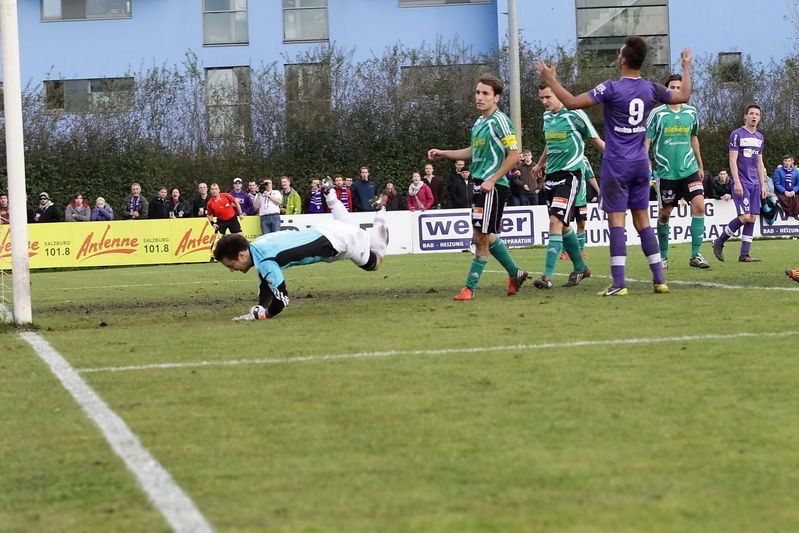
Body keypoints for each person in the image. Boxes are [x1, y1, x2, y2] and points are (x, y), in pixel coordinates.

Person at [537, 35, 693, 296]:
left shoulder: (610, 88)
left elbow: (572, 103)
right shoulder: (652, 89)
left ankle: (619, 283)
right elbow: (684, 94)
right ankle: (659, 280)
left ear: (623, 60)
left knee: (617, 222)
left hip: (617, 164)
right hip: (641, 164)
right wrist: (686, 66)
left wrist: (551, 79)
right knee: (643, 220)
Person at [215, 184, 389, 321]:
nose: (232, 270)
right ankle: (329, 194)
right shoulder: (258, 245)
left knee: (375, 262)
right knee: (346, 225)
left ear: (241, 255)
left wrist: (263, 314)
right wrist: (261, 306)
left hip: (339, 242)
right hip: (325, 229)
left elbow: (282, 300)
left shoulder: (265, 261)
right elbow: (265, 284)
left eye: (231, 265)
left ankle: (381, 211)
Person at [428, 74, 529, 300]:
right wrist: (444, 153)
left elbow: (514, 155)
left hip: (493, 186)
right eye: (477, 92)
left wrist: (493, 179)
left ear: (496, 98)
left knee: (480, 236)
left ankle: (469, 288)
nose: (479, 97)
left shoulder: (500, 121)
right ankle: (515, 272)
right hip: (480, 184)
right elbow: (473, 151)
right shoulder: (479, 122)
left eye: (485, 93)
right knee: (484, 234)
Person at [530, 82, 603, 290]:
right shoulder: (547, 117)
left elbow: (596, 140)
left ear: (559, 95)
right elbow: (549, 144)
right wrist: (540, 164)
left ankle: (547, 276)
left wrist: (622, 159)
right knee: (563, 226)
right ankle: (580, 267)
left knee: (555, 221)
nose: (545, 102)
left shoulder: (576, 115)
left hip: (570, 176)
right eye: (541, 98)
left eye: (548, 97)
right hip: (551, 178)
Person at [645, 73, 709, 270]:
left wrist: (700, 164)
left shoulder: (691, 112)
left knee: (699, 206)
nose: (675, 90)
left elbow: (694, 137)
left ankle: (696, 255)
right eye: (671, 87)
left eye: (678, 87)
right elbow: (646, 140)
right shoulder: (657, 114)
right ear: (666, 90)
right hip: (666, 173)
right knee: (664, 214)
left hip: (689, 168)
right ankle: (663, 257)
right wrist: (645, 162)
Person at [712, 105, 767, 263]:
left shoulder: (760, 137)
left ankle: (744, 254)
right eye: (751, 113)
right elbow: (732, 160)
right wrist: (736, 182)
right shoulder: (736, 134)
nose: (754, 116)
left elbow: (760, 162)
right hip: (742, 181)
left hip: (755, 183)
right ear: (745, 116)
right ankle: (719, 241)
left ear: (759, 118)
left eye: (757, 114)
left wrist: (763, 184)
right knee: (744, 217)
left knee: (752, 218)